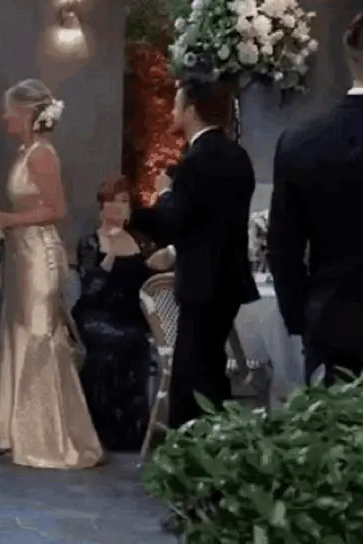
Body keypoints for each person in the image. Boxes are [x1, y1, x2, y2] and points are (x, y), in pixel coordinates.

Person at [0, 78, 103, 469]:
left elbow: (57, 210)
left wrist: (8, 219)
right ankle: (20, 432)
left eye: (9, 109)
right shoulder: (25, 152)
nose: (5, 116)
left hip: (39, 256)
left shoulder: (42, 154)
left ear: (25, 112)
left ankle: (49, 439)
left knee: (39, 336)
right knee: (19, 333)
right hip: (21, 256)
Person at [147, 73, 258, 429]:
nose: (172, 112)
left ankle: (188, 448)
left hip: (201, 283)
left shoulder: (195, 161)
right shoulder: (238, 156)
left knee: (191, 377)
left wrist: (164, 193)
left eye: (176, 105)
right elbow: (212, 221)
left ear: (192, 110)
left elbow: (175, 221)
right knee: (210, 370)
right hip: (229, 280)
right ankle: (219, 442)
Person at [268, 12, 363, 385]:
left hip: (331, 323)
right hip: (329, 322)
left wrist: (302, 318)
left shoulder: (301, 141)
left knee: (329, 423)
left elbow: (283, 249)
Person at [73, 175, 159, 451]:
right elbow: (91, 290)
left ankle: (131, 430)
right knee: (118, 343)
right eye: (114, 201)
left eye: (125, 202)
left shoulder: (141, 242)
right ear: (102, 207)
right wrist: (109, 254)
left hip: (131, 316)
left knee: (135, 340)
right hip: (96, 314)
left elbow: (152, 280)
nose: (120, 207)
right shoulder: (90, 243)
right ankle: (101, 427)